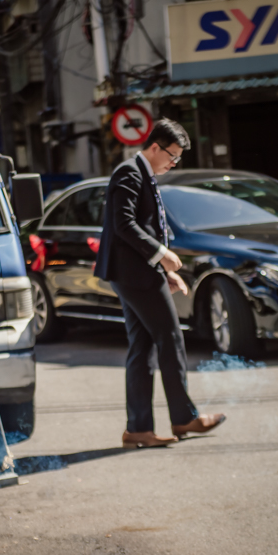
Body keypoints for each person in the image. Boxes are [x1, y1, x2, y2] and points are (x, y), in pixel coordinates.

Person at [94, 119, 226, 449]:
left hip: (136, 273)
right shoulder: (129, 173)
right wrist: (161, 254)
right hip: (132, 275)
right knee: (170, 339)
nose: (174, 162)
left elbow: (142, 227)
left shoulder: (143, 175)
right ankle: (183, 418)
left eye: (178, 158)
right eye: (173, 155)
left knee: (143, 348)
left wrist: (161, 267)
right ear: (155, 147)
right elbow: (123, 225)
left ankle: (138, 429)